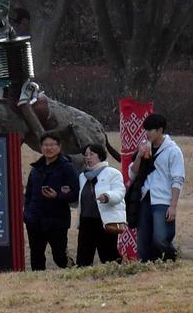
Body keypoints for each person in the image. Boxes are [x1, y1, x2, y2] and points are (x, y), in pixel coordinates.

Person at [131, 113, 184, 262]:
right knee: (143, 243)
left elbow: (177, 179)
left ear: (160, 130)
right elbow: (132, 173)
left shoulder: (173, 151)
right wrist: (139, 155)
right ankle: (148, 268)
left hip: (162, 200)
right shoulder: (145, 149)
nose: (146, 133)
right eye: (145, 130)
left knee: (161, 239)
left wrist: (173, 206)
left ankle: (175, 261)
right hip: (144, 198)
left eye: (150, 130)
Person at [23, 130, 79, 270]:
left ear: (59, 147)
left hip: (56, 220)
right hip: (34, 220)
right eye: (45, 145)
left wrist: (57, 196)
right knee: (36, 257)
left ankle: (75, 273)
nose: (49, 148)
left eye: (52, 145)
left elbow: (75, 194)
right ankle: (38, 282)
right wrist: (27, 213)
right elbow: (28, 194)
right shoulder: (36, 169)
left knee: (60, 257)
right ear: (41, 147)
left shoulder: (67, 167)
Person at [76, 142, 127, 266]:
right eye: (86, 155)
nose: (88, 158)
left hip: (105, 220)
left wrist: (108, 196)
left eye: (91, 154)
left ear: (100, 156)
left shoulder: (112, 173)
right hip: (86, 220)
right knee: (83, 257)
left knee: (108, 255)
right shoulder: (82, 176)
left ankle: (117, 274)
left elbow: (120, 192)